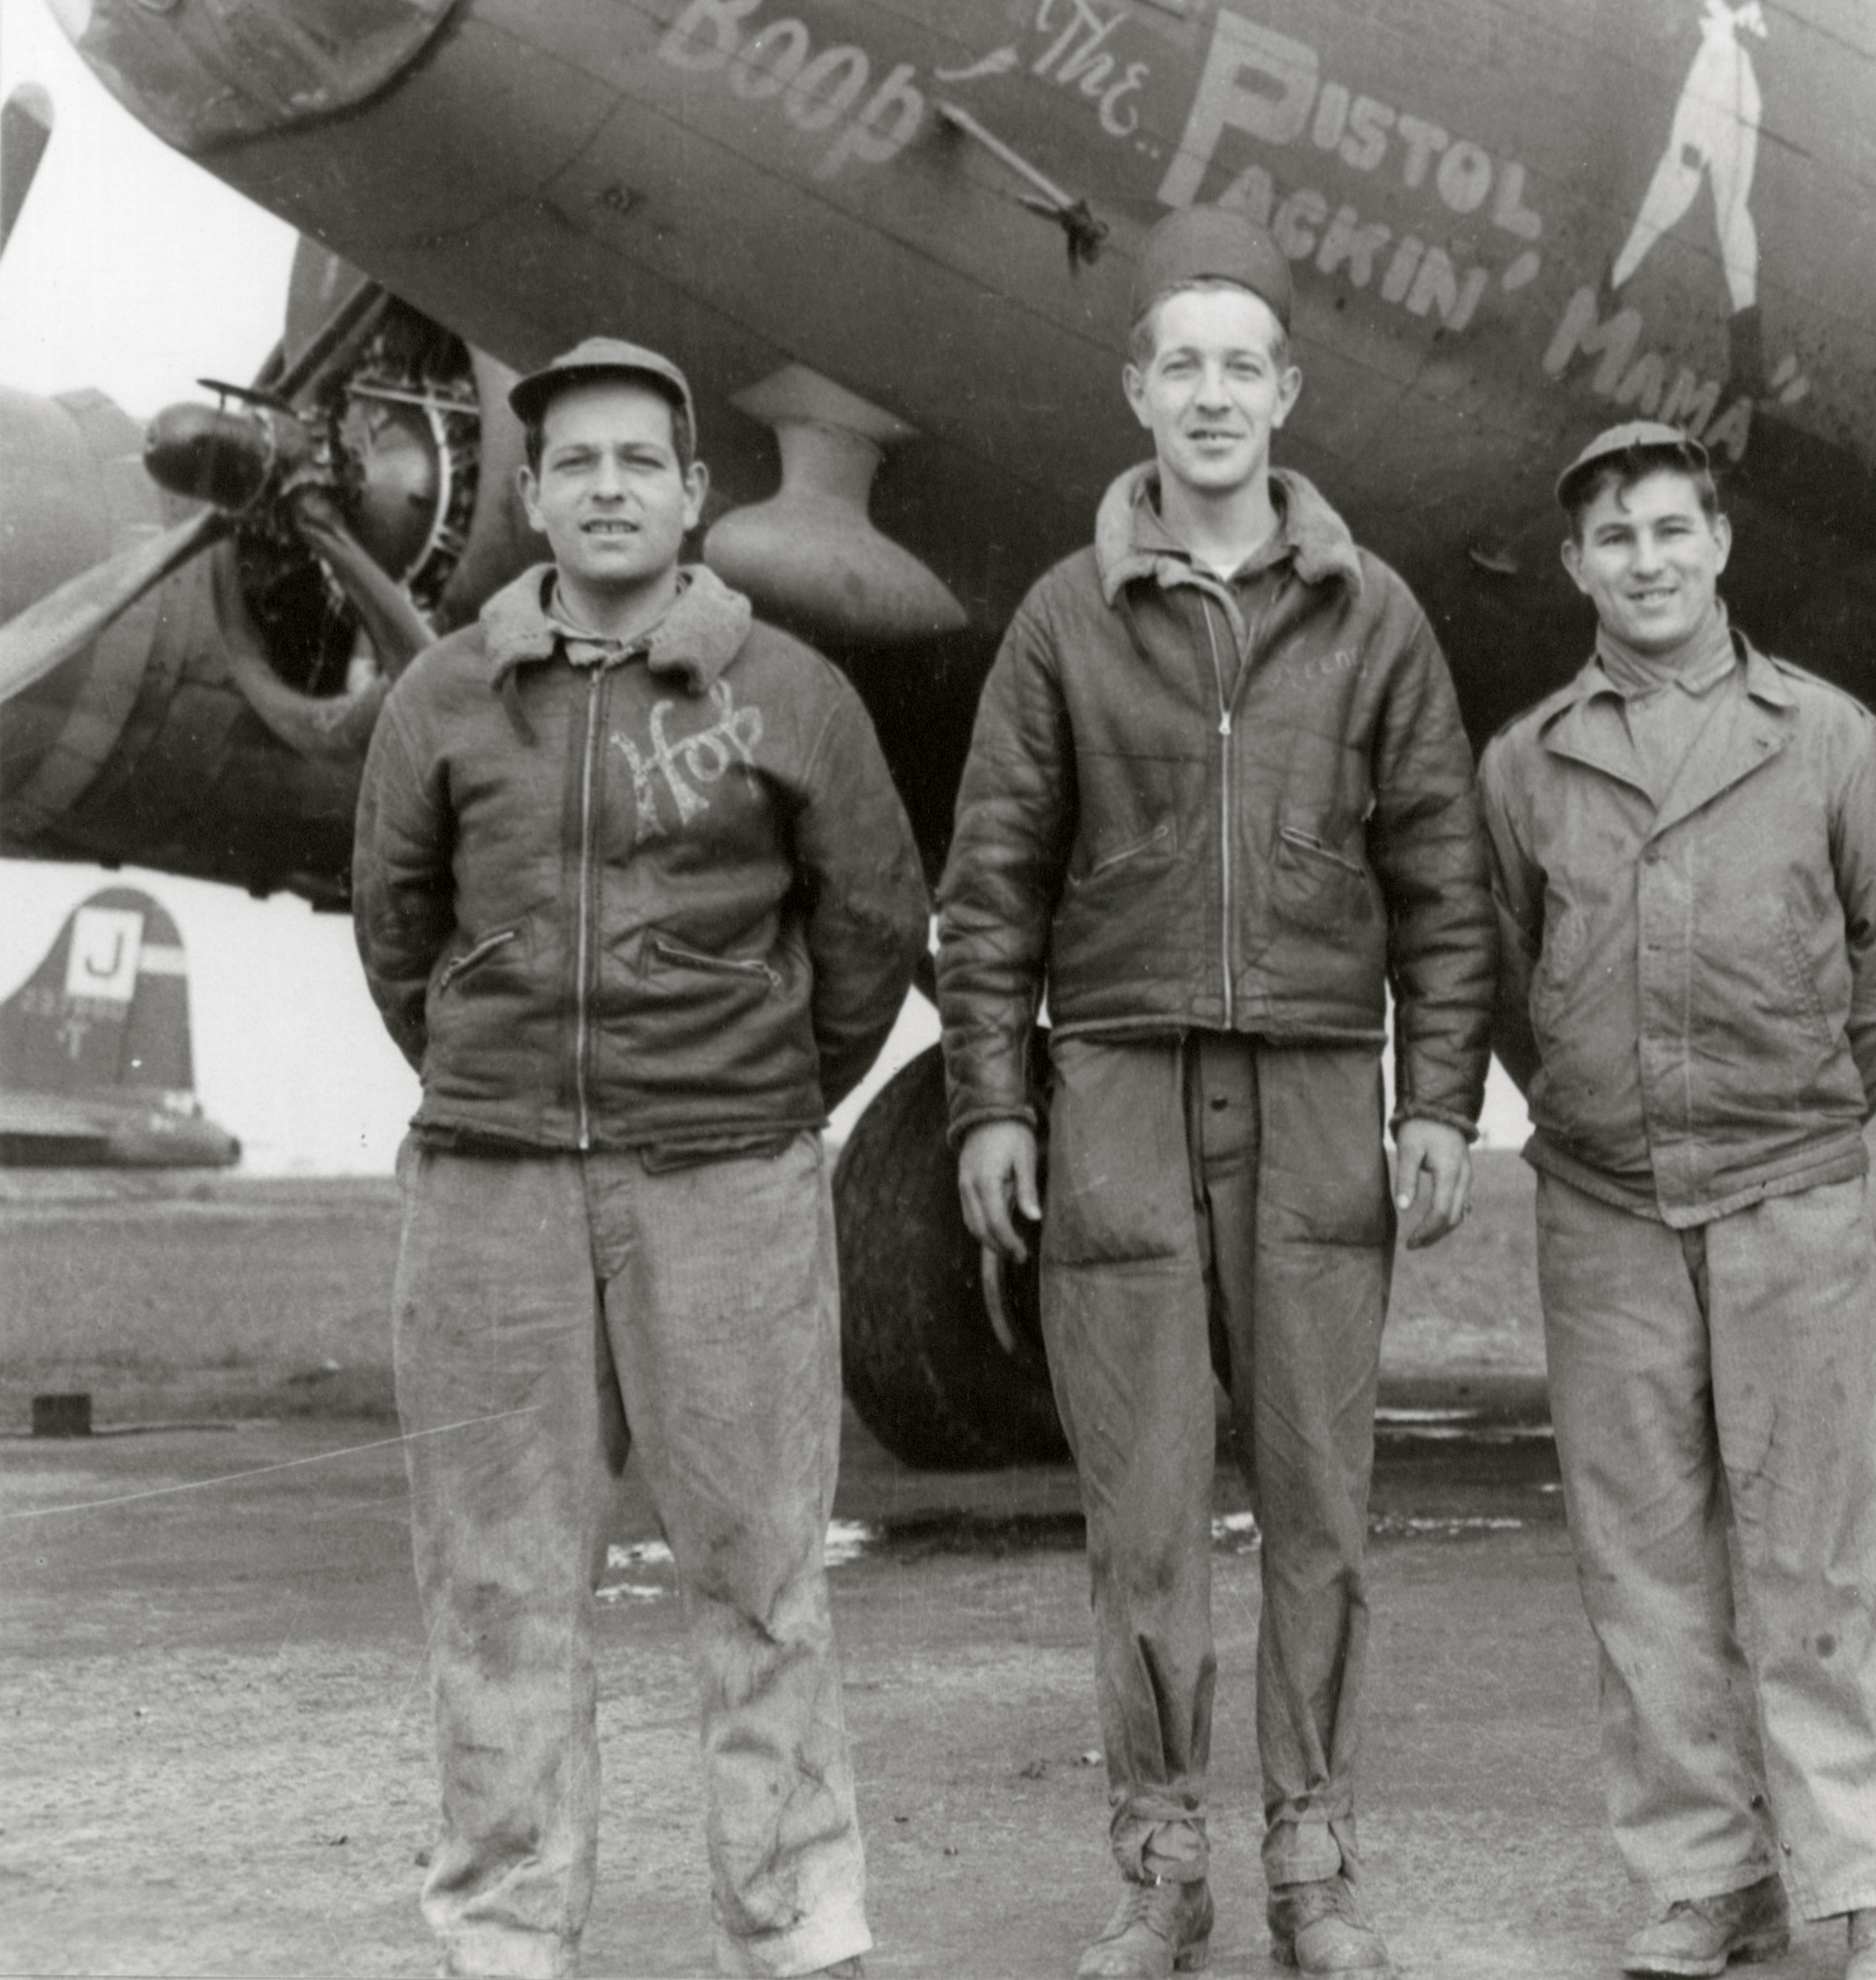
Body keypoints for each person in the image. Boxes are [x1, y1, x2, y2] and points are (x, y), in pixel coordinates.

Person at [937, 207, 1492, 1979]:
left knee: (1323, 1499)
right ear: (1137, 393)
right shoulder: (1061, 619)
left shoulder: (1376, 614)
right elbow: (996, 874)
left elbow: (1442, 875)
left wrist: (1443, 1099)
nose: (1211, 394)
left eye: (1242, 364)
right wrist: (990, 1100)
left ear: (1287, 393)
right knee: (1147, 1505)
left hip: (1329, 1085)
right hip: (1113, 1084)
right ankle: (1162, 1864)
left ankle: (1315, 1867)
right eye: (1180, 363)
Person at [354, 336, 924, 1980]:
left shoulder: (791, 694)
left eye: (639, 463)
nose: (608, 488)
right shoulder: (444, 697)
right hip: (492, 1191)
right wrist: (499, 1065)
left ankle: (801, 1923)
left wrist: (749, 1082)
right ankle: (505, 1930)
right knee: (497, 1581)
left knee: (759, 1572)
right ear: (533, 498)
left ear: (695, 494)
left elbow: (871, 918)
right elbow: (398, 927)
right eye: (577, 464)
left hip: (726, 1186)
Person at [1478, 420, 1876, 1980]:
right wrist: (1592, 1101)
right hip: (1604, 1206)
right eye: (1616, 541)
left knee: (1837, 1547)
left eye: (1674, 531)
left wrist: (1811, 1107)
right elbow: (1499, 972)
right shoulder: (1528, 761)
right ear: (1577, 568)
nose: (1649, 561)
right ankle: (1707, 1877)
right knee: (1646, 1556)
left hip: (1789, 1200)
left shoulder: (1821, 735)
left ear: (1720, 547)